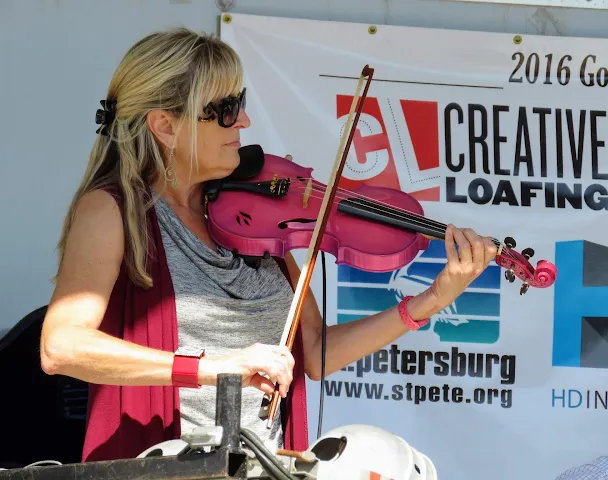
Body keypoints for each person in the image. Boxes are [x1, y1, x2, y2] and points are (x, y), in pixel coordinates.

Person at [39, 27, 498, 463]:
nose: (244, 120)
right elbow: (61, 347)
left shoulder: (253, 215)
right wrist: (213, 368)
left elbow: (314, 351)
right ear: (164, 125)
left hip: (264, 464)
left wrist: (433, 299)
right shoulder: (113, 211)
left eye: (240, 102)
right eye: (223, 109)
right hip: (171, 464)